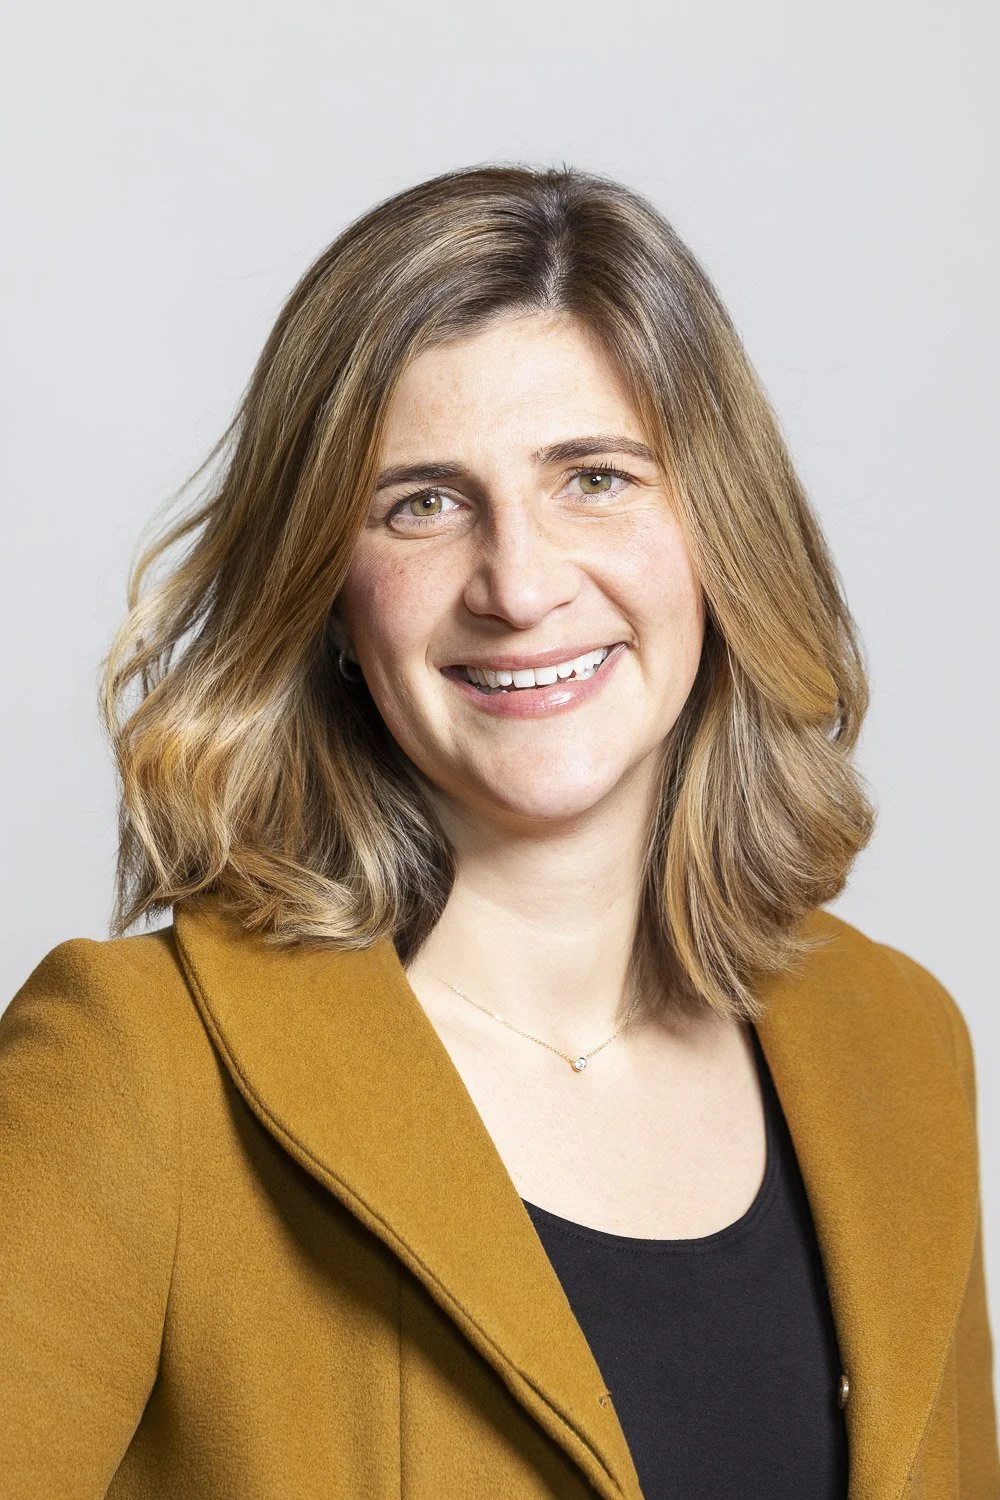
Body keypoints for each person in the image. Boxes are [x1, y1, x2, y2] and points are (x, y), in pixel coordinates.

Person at [1, 163, 996, 1500]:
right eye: (422, 501)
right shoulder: (139, 1067)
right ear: (329, 595)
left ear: (722, 535)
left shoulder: (899, 1045)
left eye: (594, 478)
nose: (519, 585)